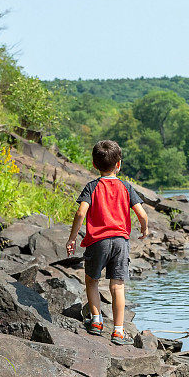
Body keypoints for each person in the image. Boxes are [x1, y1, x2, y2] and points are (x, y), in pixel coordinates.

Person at [65, 140, 148, 345]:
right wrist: (144, 228)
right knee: (117, 286)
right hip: (120, 241)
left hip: (97, 241)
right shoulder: (126, 187)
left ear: (94, 165)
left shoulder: (92, 187)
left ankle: (96, 321)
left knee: (92, 280)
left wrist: (73, 237)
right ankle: (119, 331)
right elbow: (142, 214)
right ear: (118, 164)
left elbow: (80, 212)